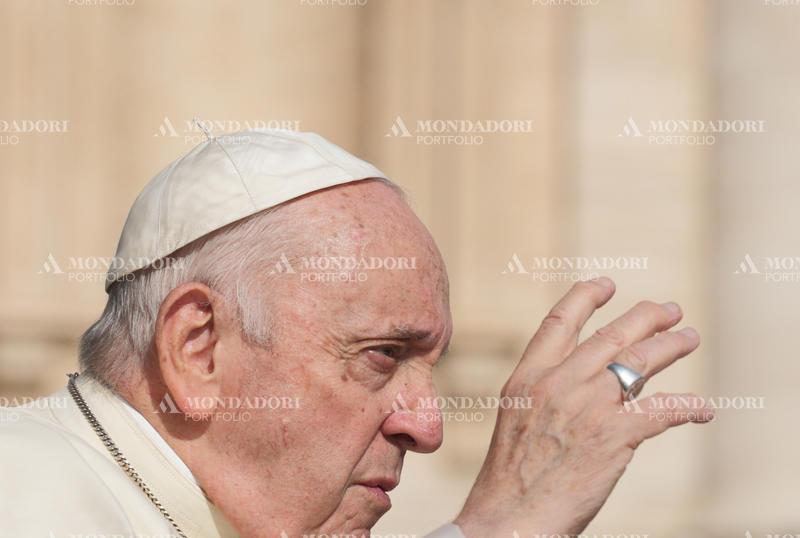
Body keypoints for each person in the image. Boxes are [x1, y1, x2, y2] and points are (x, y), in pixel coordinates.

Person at [0, 129, 714, 538]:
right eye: (383, 355)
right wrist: (504, 524)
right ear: (199, 350)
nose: (427, 427)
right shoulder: (25, 493)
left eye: (431, 365)